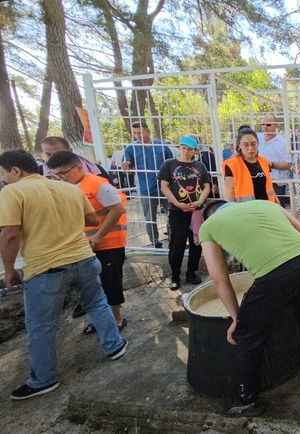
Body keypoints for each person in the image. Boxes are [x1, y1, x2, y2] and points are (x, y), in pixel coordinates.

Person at [0, 150, 127, 401]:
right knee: (98, 303)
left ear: (16, 170)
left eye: (4, 174)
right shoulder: (69, 189)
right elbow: (91, 217)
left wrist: (9, 270)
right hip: (84, 258)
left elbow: (10, 234)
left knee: (41, 325)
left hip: (46, 267)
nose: (4, 179)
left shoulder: (13, 192)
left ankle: (43, 379)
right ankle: (115, 346)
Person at [199, 200, 300, 417]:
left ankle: (248, 400)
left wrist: (237, 318)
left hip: (273, 276)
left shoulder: (208, 226)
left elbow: (219, 279)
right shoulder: (264, 204)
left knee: (246, 336)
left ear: (210, 215)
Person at [46, 150, 130, 334]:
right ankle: (100, 318)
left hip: (109, 244)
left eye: (63, 173)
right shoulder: (68, 188)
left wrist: (98, 236)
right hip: (85, 246)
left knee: (111, 283)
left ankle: (117, 319)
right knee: (92, 286)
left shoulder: (97, 184)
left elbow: (117, 210)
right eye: (55, 175)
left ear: (77, 167)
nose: (60, 178)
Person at [158, 135, 212, 290]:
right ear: (179, 147)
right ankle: (175, 276)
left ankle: (191, 272)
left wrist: (200, 202)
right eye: (183, 147)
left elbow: (207, 186)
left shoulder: (200, 166)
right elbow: (164, 186)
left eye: (189, 148)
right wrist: (177, 203)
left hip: (196, 211)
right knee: (177, 244)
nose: (186, 151)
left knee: (196, 243)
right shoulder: (169, 164)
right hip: (177, 212)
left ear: (195, 151)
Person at [122, 121, 174, 248]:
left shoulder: (161, 145)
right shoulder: (130, 148)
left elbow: (171, 164)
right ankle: (155, 242)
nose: (137, 135)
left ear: (147, 131)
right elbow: (126, 164)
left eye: (140, 132)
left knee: (172, 214)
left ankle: (173, 238)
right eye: (134, 133)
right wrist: (126, 165)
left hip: (165, 187)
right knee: (150, 217)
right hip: (146, 188)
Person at [223, 126, 279, 204]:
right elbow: (229, 196)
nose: (250, 148)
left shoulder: (264, 161)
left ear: (258, 144)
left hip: (267, 208)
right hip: (245, 212)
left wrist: (277, 204)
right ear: (239, 146)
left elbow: (270, 188)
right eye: (246, 145)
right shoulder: (232, 165)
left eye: (253, 144)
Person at [40, 136, 112, 183]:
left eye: (58, 153)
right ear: (43, 154)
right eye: (48, 154)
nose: (53, 157)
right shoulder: (37, 173)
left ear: (70, 151)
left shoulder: (96, 170)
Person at [257, 115, 293, 208]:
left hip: (276, 183)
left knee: (278, 210)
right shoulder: (256, 138)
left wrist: (271, 164)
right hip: (258, 181)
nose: (265, 126)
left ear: (276, 125)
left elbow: (288, 164)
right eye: (263, 124)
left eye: (268, 124)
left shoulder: (283, 142)